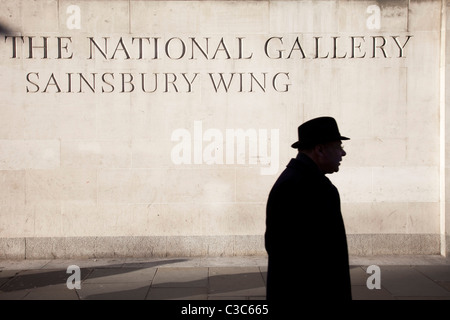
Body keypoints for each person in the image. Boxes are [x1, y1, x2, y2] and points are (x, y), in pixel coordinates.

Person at [265, 116, 352, 302]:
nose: (342, 154)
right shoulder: (307, 186)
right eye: (339, 147)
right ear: (319, 149)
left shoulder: (299, 180)